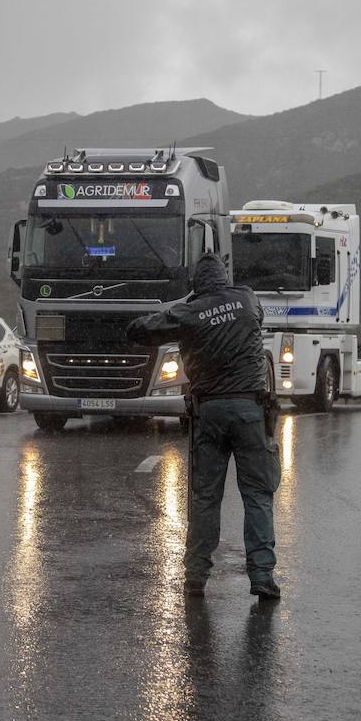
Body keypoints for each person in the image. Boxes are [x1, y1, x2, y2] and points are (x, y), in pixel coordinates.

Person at [127, 254, 282, 600]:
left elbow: (143, 331)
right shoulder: (247, 299)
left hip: (209, 412)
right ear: (224, 278)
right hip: (251, 410)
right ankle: (262, 575)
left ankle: (196, 575)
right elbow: (253, 316)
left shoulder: (188, 312)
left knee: (205, 498)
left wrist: (132, 321)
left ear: (196, 285)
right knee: (258, 495)